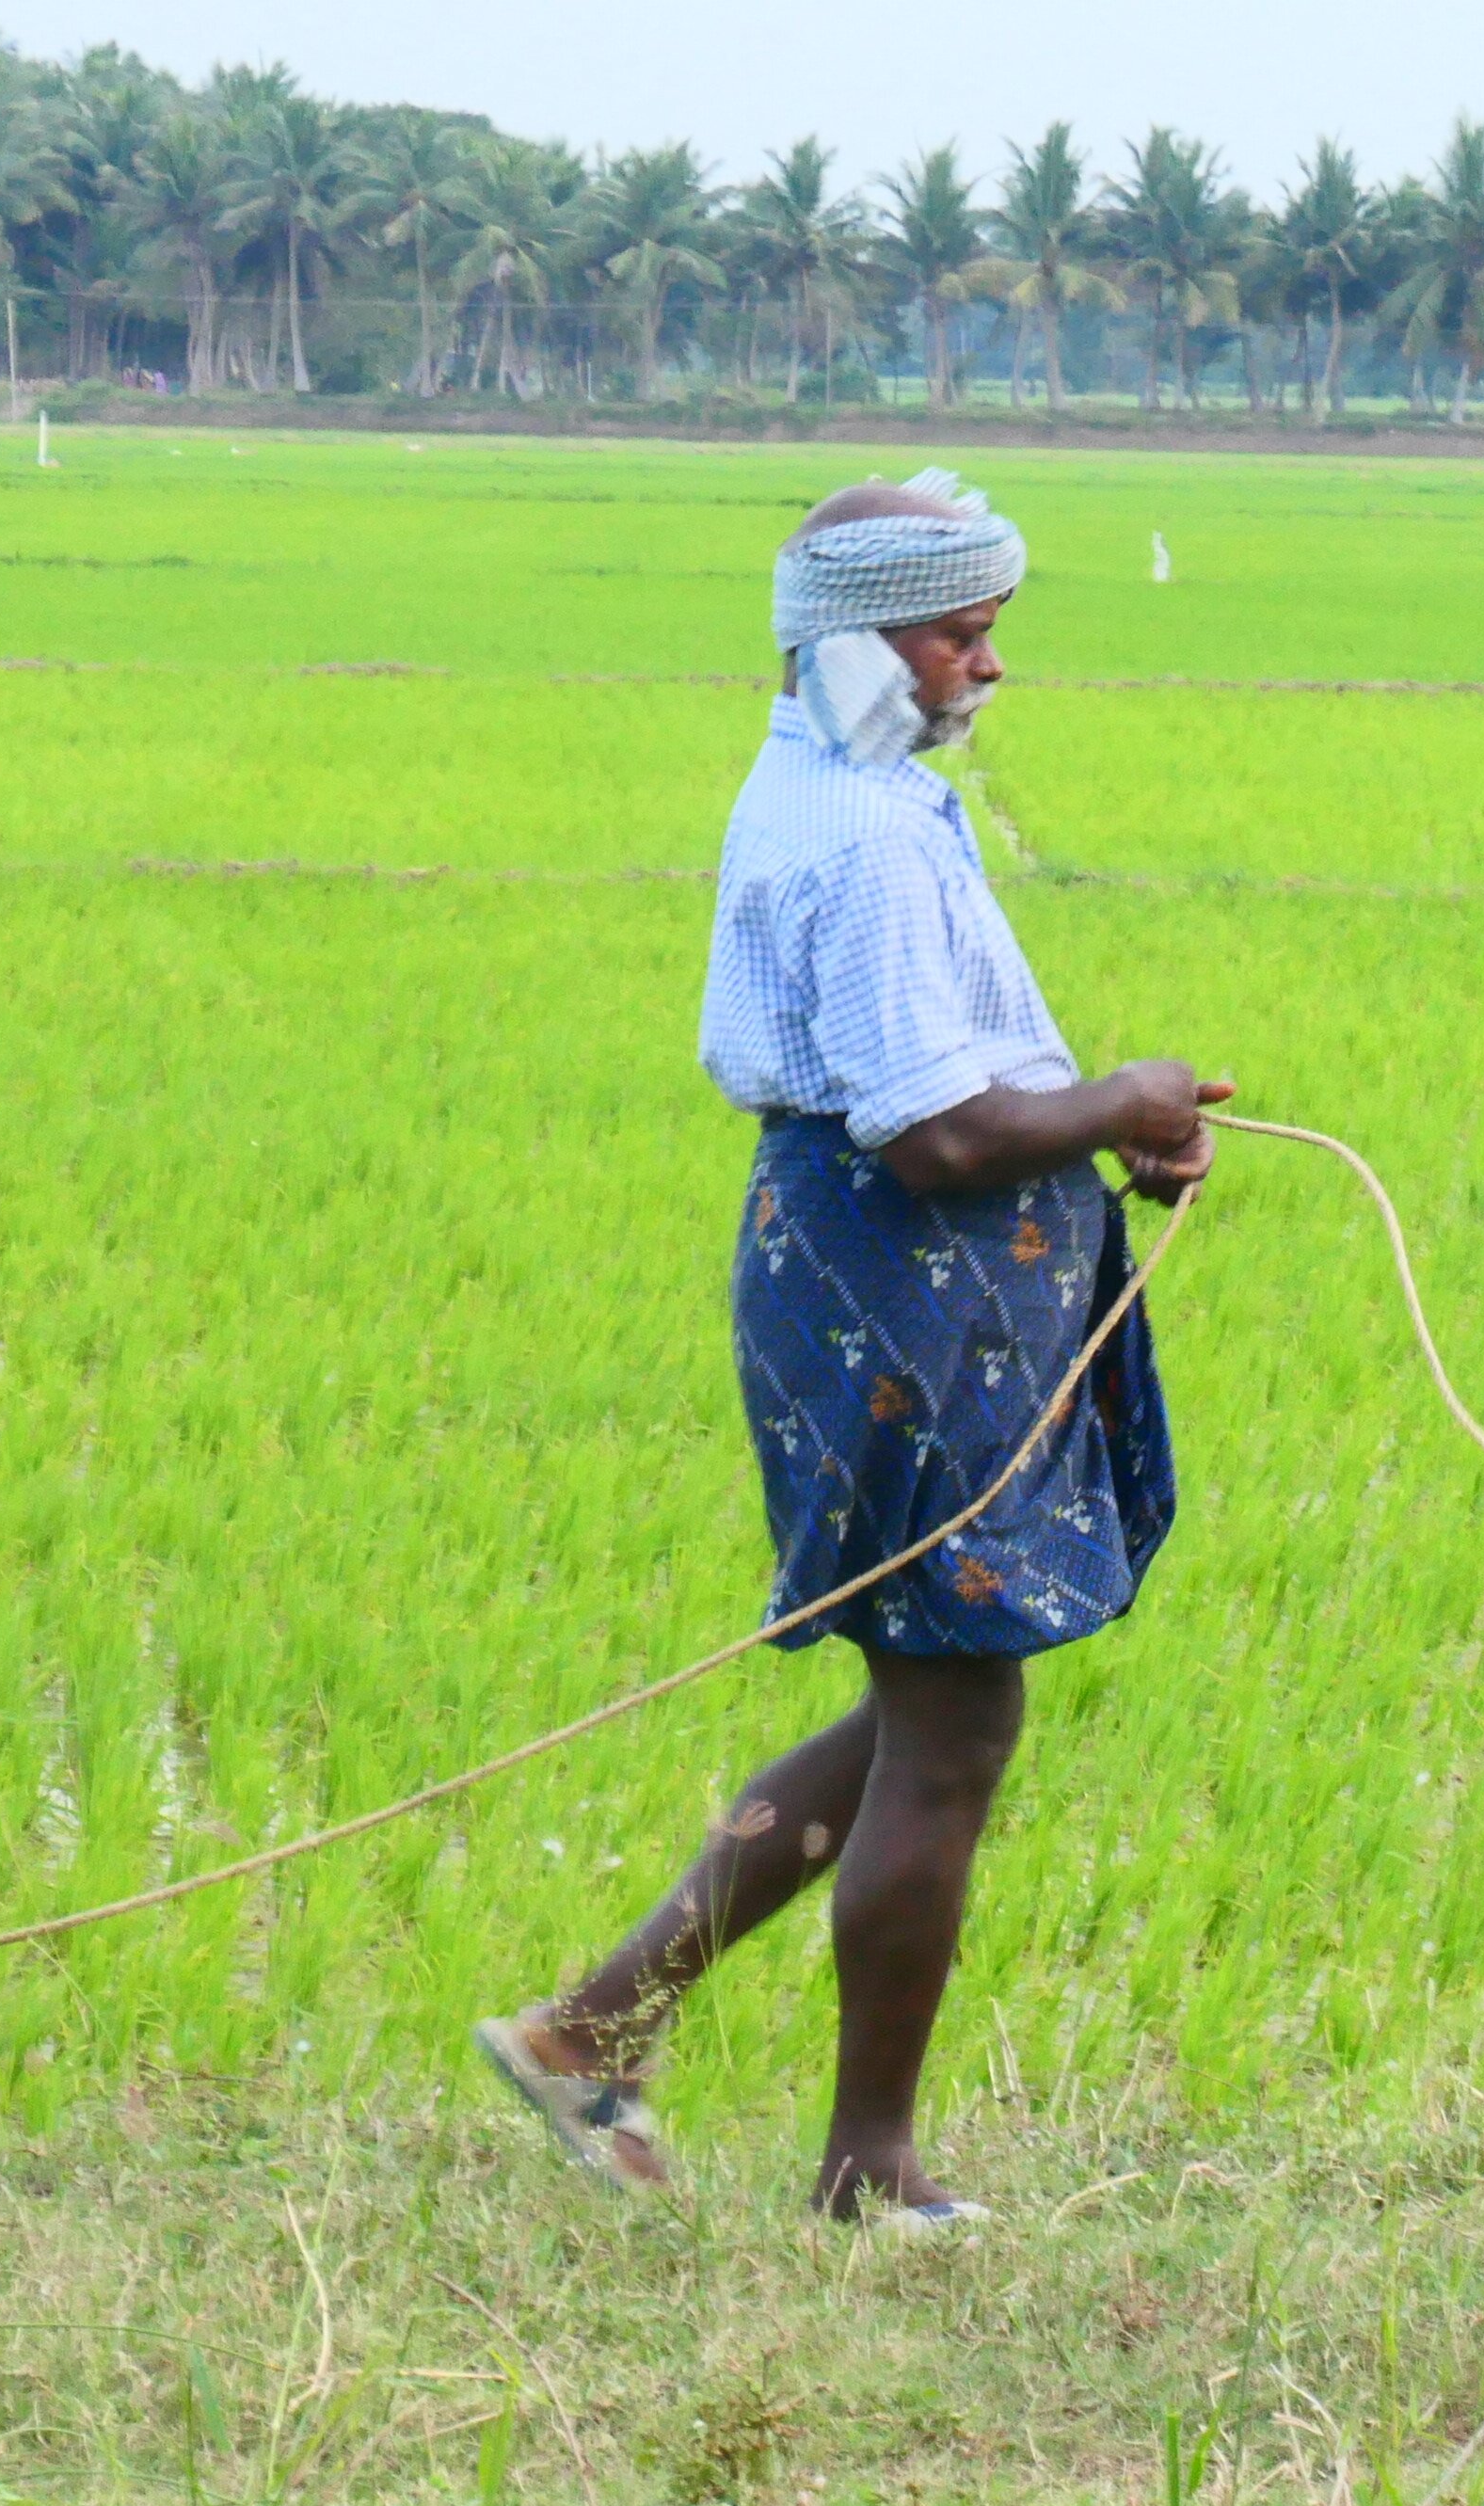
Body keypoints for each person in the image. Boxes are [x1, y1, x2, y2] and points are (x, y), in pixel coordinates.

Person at [477, 470, 1223, 2223]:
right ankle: (868, 2172)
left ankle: (595, 2030)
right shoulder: (865, 838)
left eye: (991, 632)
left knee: (925, 1707)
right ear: (857, 640)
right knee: (950, 1731)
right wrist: (1118, 1095)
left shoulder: (842, 782)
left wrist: (1104, 1120)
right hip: (904, 1291)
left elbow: (953, 1098)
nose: (986, 666)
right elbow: (932, 1137)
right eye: (962, 633)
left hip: (898, 1286)